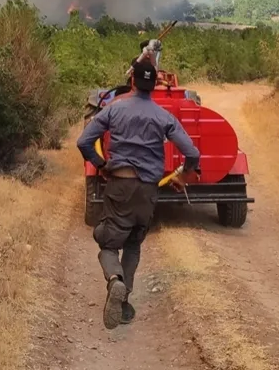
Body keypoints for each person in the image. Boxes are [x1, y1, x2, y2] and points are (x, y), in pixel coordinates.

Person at [77, 58, 200, 330]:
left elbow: (84, 141)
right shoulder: (163, 116)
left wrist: (101, 166)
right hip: (148, 190)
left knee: (108, 243)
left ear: (132, 80)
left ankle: (114, 280)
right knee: (133, 243)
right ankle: (123, 301)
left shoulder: (112, 110)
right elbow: (192, 153)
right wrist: (182, 175)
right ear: (154, 85)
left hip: (119, 184)